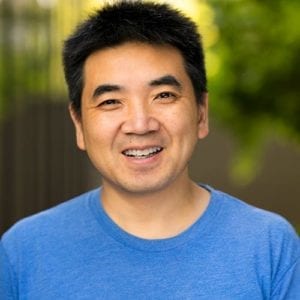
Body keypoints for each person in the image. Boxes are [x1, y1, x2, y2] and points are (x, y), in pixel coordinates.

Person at [1, 1, 299, 299]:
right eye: (110, 101)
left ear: (201, 112)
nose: (140, 124)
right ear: (78, 124)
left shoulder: (270, 246)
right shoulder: (23, 253)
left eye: (163, 95)